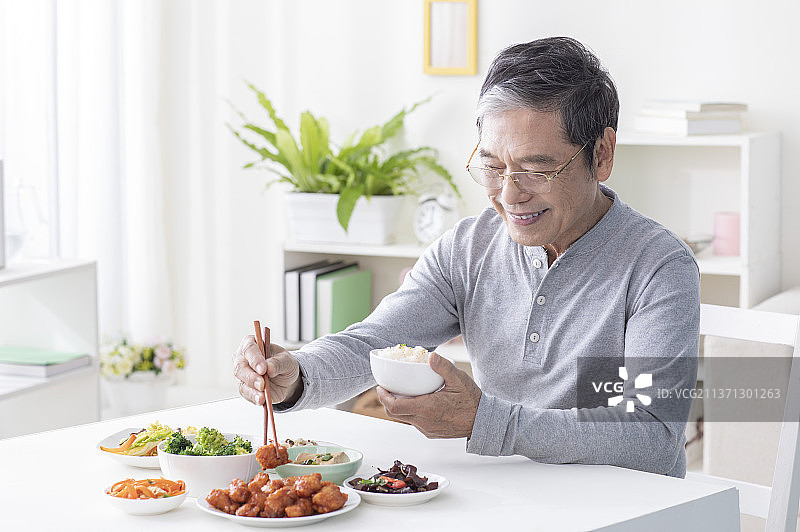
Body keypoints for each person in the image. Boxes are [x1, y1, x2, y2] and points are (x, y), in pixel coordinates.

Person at [233, 36, 699, 478]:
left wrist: (486, 422)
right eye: (492, 167)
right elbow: (374, 342)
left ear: (601, 154)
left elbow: (653, 436)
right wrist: (298, 374)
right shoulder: (468, 247)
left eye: (536, 170)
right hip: (503, 494)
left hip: (619, 504)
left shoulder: (659, 266)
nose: (509, 195)